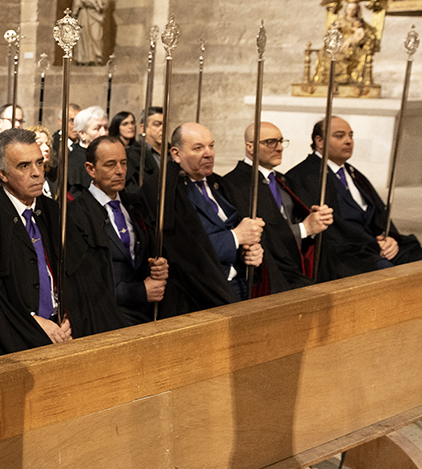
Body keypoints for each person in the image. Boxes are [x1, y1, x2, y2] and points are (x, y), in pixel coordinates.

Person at [0, 128, 71, 354]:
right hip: (14, 336)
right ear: (2, 173)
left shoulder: (56, 212)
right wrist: (33, 321)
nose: (37, 172)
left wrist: (70, 314)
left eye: (39, 163)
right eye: (24, 166)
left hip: (64, 330)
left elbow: (75, 275)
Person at [286, 116, 422, 280]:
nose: (348, 141)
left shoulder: (353, 173)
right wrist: (373, 244)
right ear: (319, 141)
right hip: (341, 251)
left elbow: (379, 212)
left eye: (351, 135)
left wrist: (389, 238)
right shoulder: (303, 176)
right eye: (339, 136)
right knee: (383, 270)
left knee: (414, 254)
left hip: (369, 245)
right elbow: (332, 229)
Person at [219, 122, 333, 294]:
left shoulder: (283, 180)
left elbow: (300, 219)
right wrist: (305, 228)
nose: (279, 148)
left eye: (280, 141)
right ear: (250, 146)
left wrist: (319, 219)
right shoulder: (234, 184)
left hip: (297, 266)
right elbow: (264, 238)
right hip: (271, 274)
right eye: (271, 142)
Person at [167, 123, 264, 300]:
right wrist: (236, 237)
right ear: (176, 153)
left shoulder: (221, 185)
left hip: (242, 283)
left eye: (211, 146)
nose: (208, 153)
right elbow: (184, 250)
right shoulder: (170, 193)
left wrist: (249, 252)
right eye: (198, 148)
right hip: (204, 292)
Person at [77, 136, 168, 326]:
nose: (120, 171)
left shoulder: (134, 204)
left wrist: (158, 266)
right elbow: (86, 282)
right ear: (90, 169)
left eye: (123, 163)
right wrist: (140, 291)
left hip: (146, 313)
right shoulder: (77, 214)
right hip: (106, 317)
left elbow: (141, 255)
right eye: (110, 164)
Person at [67, 106, 107, 195]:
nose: (104, 133)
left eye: (106, 127)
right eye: (97, 128)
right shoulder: (73, 160)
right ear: (82, 134)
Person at [72, 0, 107, 65]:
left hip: (96, 16)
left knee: (96, 37)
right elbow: (76, 1)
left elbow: (105, 4)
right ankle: (84, 59)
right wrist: (79, 5)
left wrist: (98, 5)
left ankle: (97, 57)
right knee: (84, 36)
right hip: (84, 14)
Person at [126, 106, 163, 187]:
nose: (162, 129)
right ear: (143, 128)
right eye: (157, 124)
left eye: (165, 125)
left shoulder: (172, 152)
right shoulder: (133, 155)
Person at [27, 124, 57, 197]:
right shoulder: (25, 179)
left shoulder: (51, 178)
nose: (46, 148)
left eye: (47, 144)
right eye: (39, 144)